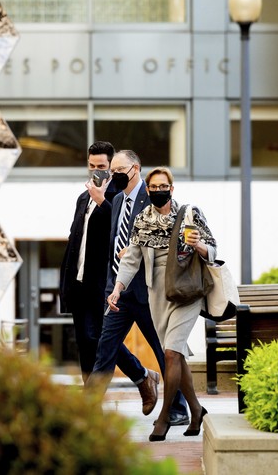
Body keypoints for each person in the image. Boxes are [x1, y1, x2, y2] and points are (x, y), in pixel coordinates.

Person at [108, 166, 216, 441]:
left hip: (187, 292)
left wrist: (199, 245)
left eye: (163, 186)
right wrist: (118, 288)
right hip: (157, 295)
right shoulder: (142, 219)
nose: (158, 191)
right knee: (176, 353)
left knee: (170, 353)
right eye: (153, 187)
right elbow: (131, 257)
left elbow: (213, 249)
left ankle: (164, 417)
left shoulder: (190, 214)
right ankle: (196, 409)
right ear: (148, 189)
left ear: (172, 188)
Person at [89, 150, 189, 425]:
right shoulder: (117, 200)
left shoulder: (155, 197)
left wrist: (139, 249)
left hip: (149, 291)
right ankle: (87, 409)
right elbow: (114, 240)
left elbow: (172, 234)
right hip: (120, 291)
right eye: (113, 171)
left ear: (136, 169)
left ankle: (178, 408)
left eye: (120, 170)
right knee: (105, 349)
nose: (115, 175)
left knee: (163, 350)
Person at [59, 142, 158, 413]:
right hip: (78, 283)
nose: (97, 172)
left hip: (104, 283)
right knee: (85, 343)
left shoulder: (117, 195)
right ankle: (129, 385)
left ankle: (140, 377)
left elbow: (114, 237)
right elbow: (74, 241)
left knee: (100, 341)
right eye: (92, 166)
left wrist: (101, 199)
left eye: (102, 167)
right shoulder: (83, 197)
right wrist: (66, 284)